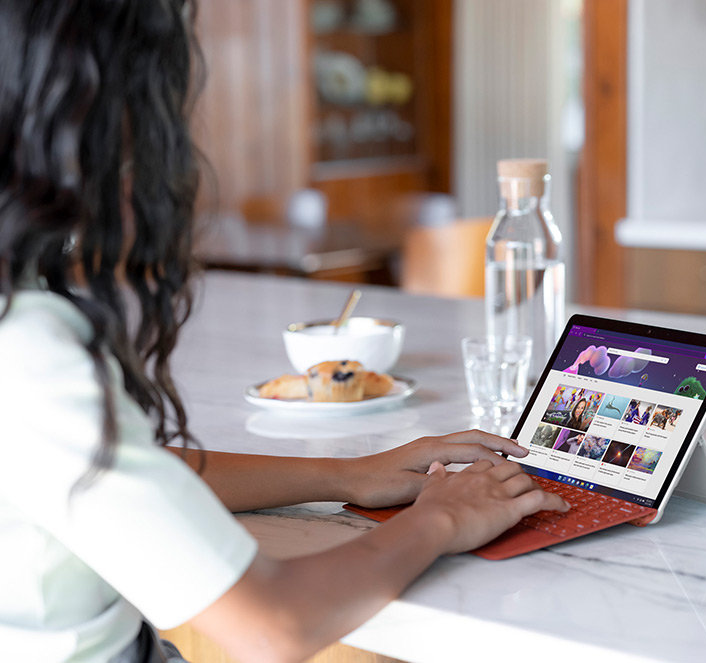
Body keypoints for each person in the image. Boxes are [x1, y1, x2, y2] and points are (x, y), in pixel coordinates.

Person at [0, 2, 568, 662]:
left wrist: (348, 475)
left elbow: (122, 475)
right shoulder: (29, 350)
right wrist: (441, 516)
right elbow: (276, 625)